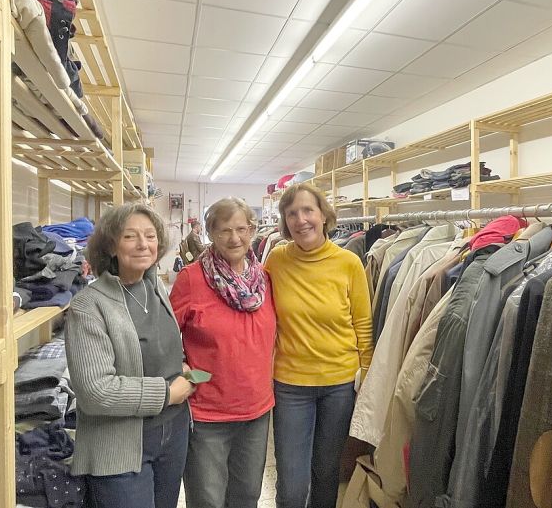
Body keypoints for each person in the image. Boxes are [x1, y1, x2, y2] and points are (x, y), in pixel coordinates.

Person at [64, 203, 196, 508]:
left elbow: (158, 346)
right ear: (111, 245)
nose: (143, 244)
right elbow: (95, 392)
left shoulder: (156, 288)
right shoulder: (89, 305)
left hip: (173, 435)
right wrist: (167, 393)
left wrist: (182, 367)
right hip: (120, 448)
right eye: (130, 237)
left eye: (150, 236)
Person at [264, 183, 374, 508]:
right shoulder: (276, 260)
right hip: (290, 385)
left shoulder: (349, 262)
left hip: (339, 385)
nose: (301, 220)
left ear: (323, 214)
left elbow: (363, 324)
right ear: (285, 222)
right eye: (292, 213)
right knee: (292, 483)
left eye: (308, 210)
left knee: (326, 474)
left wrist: (366, 373)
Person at [170, 197, 277, 508]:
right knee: (207, 500)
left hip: (256, 411)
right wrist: (182, 368)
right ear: (210, 234)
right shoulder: (191, 278)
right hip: (207, 415)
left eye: (242, 229)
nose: (235, 238)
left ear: (253, 230)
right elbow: (165, 337)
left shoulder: (265, 280)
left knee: (246, 497)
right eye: (225, 230)